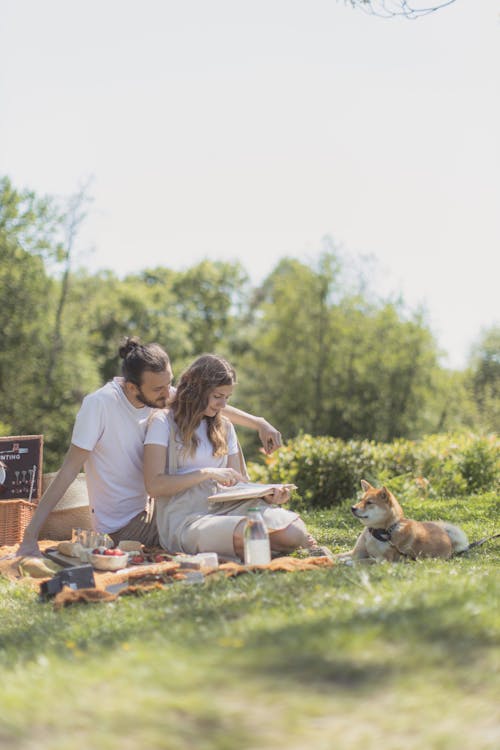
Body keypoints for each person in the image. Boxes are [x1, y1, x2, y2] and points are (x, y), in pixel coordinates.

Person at [17, 338, 282, 557]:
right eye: (160, 389)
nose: (169, 394)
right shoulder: (99, 405)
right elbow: (68, 472)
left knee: (221, 508)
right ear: (132, 387)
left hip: (159, 506)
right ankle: (262, 541)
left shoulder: (159, 392)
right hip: (126, 525)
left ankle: (267, 526)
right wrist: (29, 539)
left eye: (170, 383)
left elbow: (207, 403)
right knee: (203, 524)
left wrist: (259, 423)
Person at [143, 353, 326, 561]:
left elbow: (238, 485)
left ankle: (253, 548)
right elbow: (154, 485)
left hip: (229, 508)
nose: (223, 405)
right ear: (196, 390)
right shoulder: (163, 422)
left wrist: (266, 495)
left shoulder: (224, 426)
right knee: (248, 531)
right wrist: (206, 473)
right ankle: (257, 548)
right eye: (217, 396)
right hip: (186, 517)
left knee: (294, 530)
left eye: (227, 398)